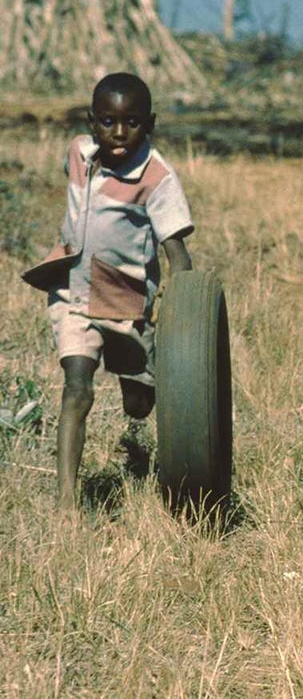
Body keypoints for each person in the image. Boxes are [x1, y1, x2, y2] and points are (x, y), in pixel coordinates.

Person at [21, 73, 194, 508]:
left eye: (132, 122)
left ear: (150, 123)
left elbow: (177, 252)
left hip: (125, 304)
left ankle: (135, 406)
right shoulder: (79, 153)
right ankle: (66, 503)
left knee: (138, 403)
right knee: (76, 387)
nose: (119, 133)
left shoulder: (157, 178)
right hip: (73, 296)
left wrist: (185, 307)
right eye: (107, 121)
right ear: (91, 121)